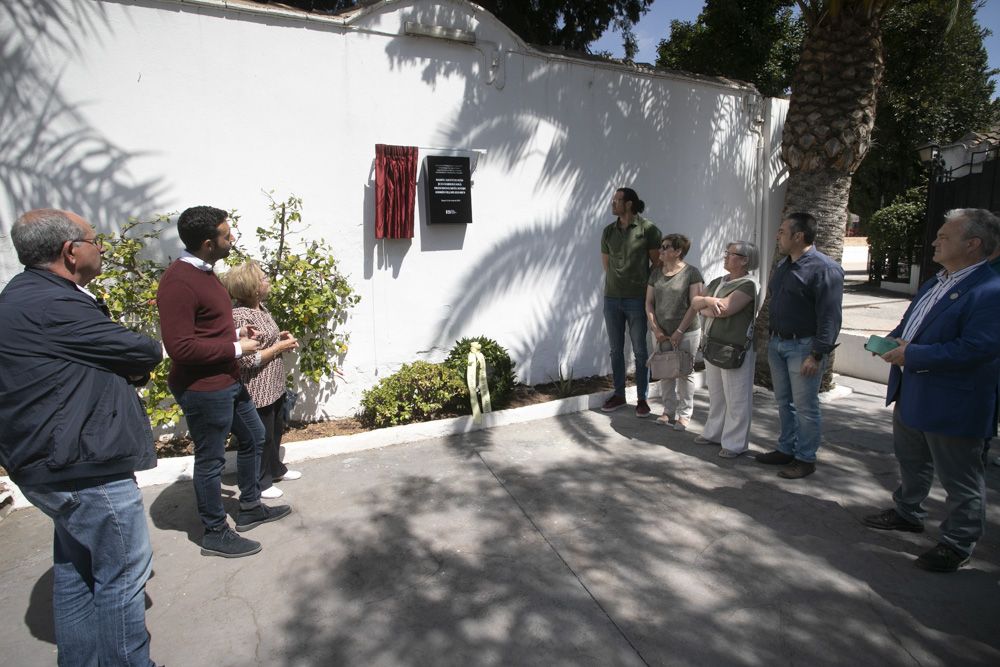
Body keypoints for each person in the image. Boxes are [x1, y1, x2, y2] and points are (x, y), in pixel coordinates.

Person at [0, 209, 162, 665]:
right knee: (123, 576)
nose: (102, 250)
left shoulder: (23, 296)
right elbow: (141, 349)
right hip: (85, 469)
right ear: (71, 251)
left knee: (76, 573)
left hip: (51, 465)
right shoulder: (56, 304)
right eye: (96, 241)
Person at [862, 208, 1000, 572]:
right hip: (913, 391)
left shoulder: (990, 290)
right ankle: (908, 512)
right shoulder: (935, 281)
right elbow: (912, 322)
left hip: (954, 402)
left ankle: (958, 543)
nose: (935, 241)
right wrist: (892, 339)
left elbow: (978, 349)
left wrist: (913, 353)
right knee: (911, 461)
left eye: (944, 237)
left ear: (973, 244)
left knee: (961, 478)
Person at [157, 206, 290, 558]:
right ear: (207, 243)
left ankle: (249, 507)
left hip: (227, 380)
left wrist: (235, 330)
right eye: (226, 234)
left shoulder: (206, 273)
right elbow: (180, 347)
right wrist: (236, 346)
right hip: (203, 388)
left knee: (254, 436)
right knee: (211, 459)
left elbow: (204, 327)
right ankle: (214, 531)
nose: (232, 238)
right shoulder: (178, 281)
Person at [756, 212, 844, 479]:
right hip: (778, 343)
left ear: (799, 236)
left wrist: (817, 354)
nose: (778, 235)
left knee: (805, 407)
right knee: (784, 402)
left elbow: (830, 317)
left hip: (804, 348)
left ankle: (805, 458)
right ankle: (786, 448)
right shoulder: (785, 264)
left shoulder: (824, 268)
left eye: (782, 231)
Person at [221, 261, 302, 500]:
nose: (268, 281)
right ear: (253, 287)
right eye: (264, 279)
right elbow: (247, 360)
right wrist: (279, 347)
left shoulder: (260, 309)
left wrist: (281, 338)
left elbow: (266, 341)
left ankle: (275, 469)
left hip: (273, 384)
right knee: (262, 435)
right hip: (257, 388)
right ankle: (262, 481)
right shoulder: (240, 315)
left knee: (276, 429)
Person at [690, 242, 759, 457]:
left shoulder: (748, 284)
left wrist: (705, 309)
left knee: (737, 397)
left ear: (745, 259)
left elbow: (725, 310)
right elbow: (694, 303)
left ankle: (735, 444)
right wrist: (709, 300)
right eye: (726, 253)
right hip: (714, 344)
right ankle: (713, 433)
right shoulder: (719, 282)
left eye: (730, 254)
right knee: (717, 394)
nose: (725, 257)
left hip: (734, 348)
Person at [601, 187, 662, 418]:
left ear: (629, 204)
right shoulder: (608, 232)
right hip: (612, 299)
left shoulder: (649, 230)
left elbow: (657, 264)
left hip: (637, 299)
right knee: (615, 350)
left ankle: (642, 399)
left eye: (617, 200)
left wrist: (645, 290)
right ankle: (618, 394)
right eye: (613, 200)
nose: (612, 204)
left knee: (640, 350)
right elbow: (606, 265)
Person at [645, 233, 703, 430]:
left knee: (685, 372)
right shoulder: (656, 273)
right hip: (661, 333)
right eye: (661, 246)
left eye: (666, 247)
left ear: (678, 251)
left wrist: (679, 331)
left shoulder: (692, 273)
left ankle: (684, 414)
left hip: (687, 332)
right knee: (665, 371)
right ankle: (668, 411)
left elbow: (694, 305)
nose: (660, 250)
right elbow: (649, 303)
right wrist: (656, 329)